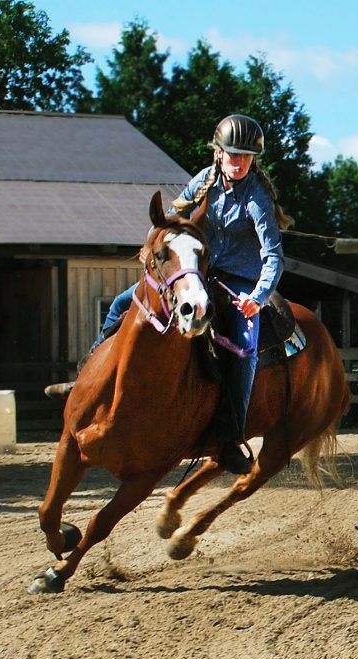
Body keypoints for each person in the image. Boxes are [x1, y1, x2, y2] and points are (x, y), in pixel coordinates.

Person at [46, 114, 291, 475]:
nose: (238, 163)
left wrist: (257, 296)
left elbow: (273, 256)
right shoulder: (203, 182)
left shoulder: (256, 199)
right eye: (232, 155)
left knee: (245, 346)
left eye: (246, 157)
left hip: (238, 280)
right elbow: (168, 220)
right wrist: (154, 246)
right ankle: (85, 379)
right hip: (194, 271)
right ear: (218, 153)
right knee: (119, 304)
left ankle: (232, 434)